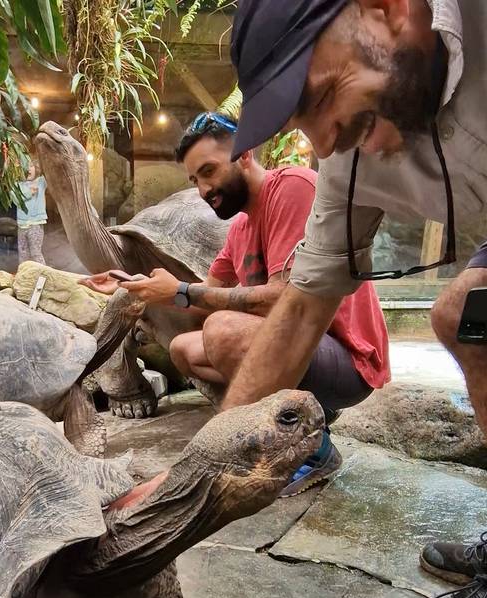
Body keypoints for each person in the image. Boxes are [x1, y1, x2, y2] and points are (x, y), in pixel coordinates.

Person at [227, 0, 487, 598]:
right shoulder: (350, 153)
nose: (322, 142)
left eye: (317, 98)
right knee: (469, 318)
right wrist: (205, 471)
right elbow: (302, 307)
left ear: (387, 8)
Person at [81, 111, 390, 497]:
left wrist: (180, 290)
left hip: (348, 358)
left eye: (209, 171)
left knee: (223, 330)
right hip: (300, 352)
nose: (203, 190)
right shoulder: (240, 228)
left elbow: (286, 299)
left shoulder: (292, 187)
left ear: (244, 154)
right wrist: (142, 287)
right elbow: (201, 297)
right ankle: (278, 426)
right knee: (184, 349)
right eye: (195, 180)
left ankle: (314, 449)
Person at [17, 160, 47, 264]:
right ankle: (24, 277)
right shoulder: (18, 185)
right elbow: (16, 199)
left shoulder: (41, 182)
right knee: (23, 253)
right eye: (25, 166)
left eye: (31, 166)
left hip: (36, 224)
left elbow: (49, 171)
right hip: (21, 225)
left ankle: (42, 278)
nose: (28, 169)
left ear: (36, 168)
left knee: (36, 253)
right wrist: (30, 192)